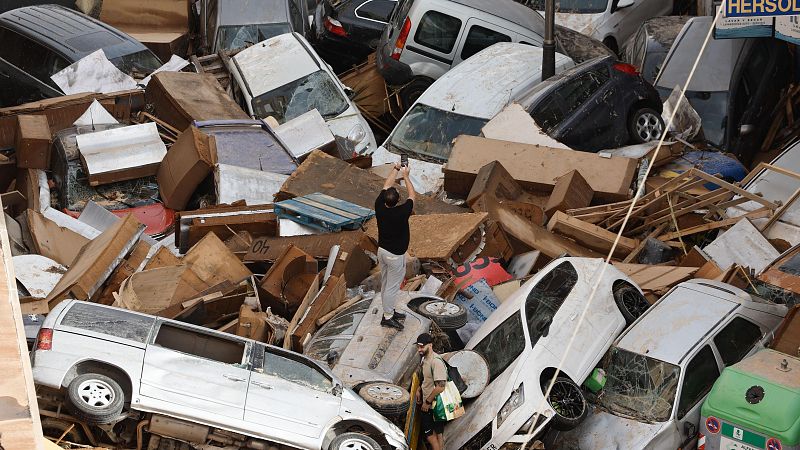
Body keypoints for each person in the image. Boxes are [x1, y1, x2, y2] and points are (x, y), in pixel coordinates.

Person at [374, 162, 416, 330]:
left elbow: (386, 185)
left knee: (385, 283)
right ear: (398, 200)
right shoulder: (402, 211)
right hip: (395, 256)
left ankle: (389, 310)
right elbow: (413, 195)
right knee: (392, 287)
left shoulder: (379, 206)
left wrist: (396, 169)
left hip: (382, 251)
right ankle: (388, 316)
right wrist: (406, 176)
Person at [416, 332, 447, 450]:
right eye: (418, 346)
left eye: (422, 346)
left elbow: (441, 386)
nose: (419, 349)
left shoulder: (436, 361)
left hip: (433, 405)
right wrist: (419, 389)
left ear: (430, 345)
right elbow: (426, 379)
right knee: (438, 434)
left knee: (430, 435)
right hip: (428, 402)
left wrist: (427, 402)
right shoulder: (425, 359)